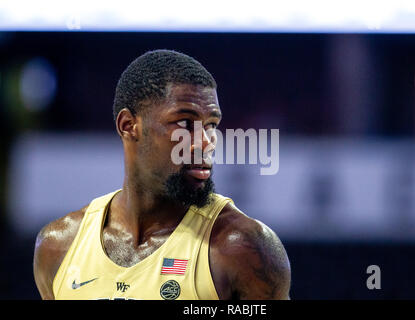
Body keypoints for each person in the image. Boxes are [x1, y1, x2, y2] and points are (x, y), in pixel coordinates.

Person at [33, 49, 291, 300]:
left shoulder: (242, 249)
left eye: (211, 124)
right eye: (185, 123)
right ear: (128, 126)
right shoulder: (58, 246)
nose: (206, 142)